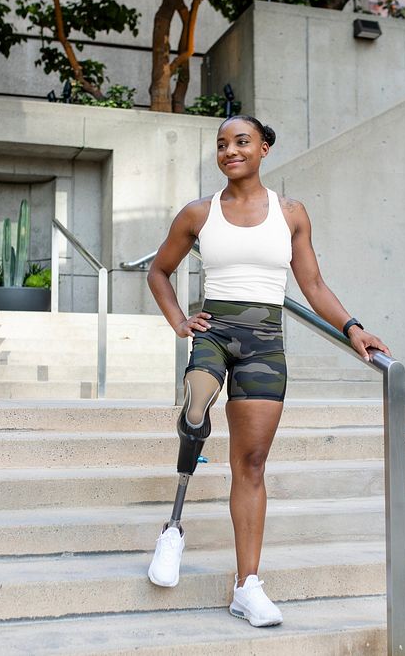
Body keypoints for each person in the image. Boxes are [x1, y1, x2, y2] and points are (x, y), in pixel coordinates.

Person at [146, 115, 391, 627]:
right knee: (197, 404)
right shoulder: (197, 213)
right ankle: (185, 469)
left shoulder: (291, 213)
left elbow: (314, 284)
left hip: (265, 343)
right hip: (214, 333)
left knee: (252, 464)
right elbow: (159, 270)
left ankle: (246, 586)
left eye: (241, 142)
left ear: (264, 149)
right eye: (221, 144)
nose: (229, 151)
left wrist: (353, 327)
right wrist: (177, 321)